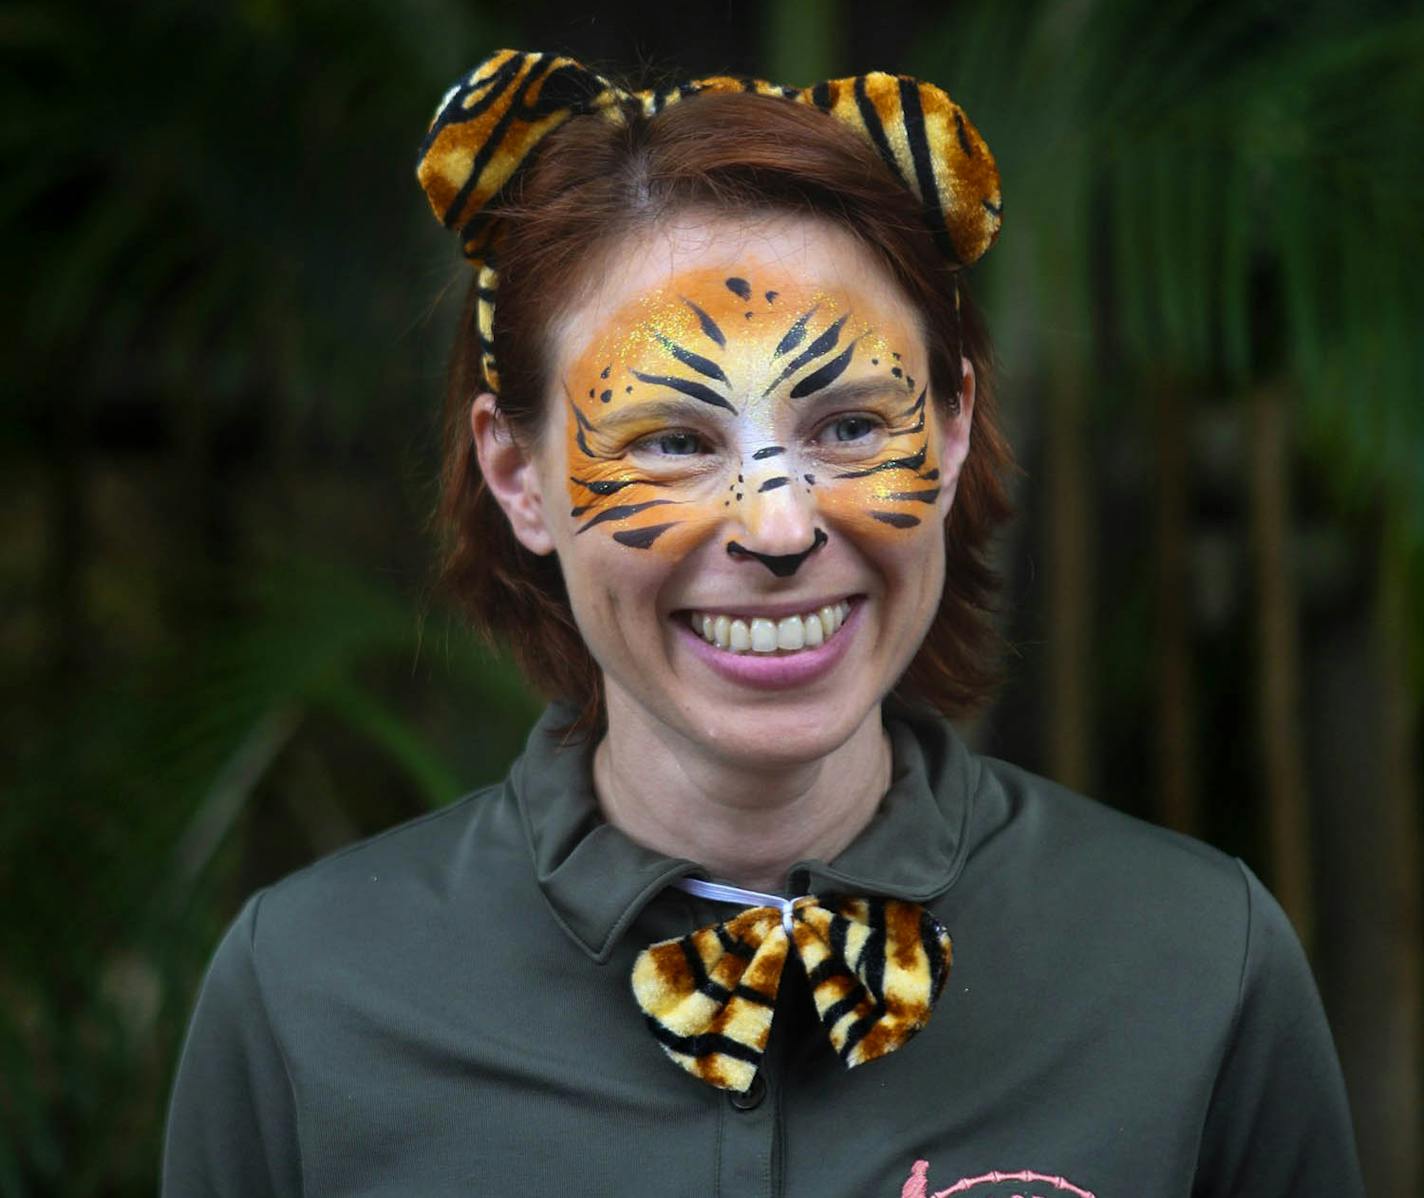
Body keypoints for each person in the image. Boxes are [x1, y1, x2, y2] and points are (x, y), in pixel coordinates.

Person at [162, 51, 1364, 1197]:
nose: (778, 526)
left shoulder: (1197, 961)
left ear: (949, 431)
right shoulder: (305, 997)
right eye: (674, 442)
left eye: (847, 424)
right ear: (517, 476)